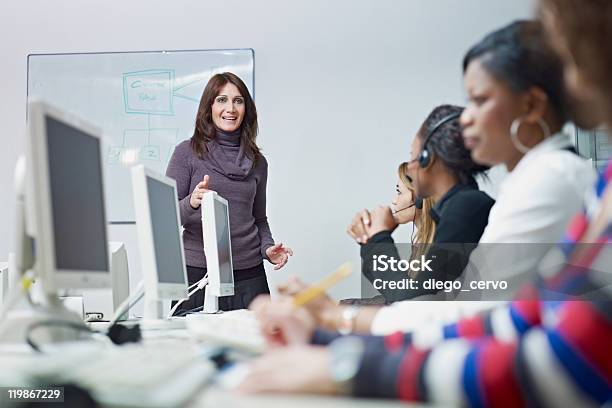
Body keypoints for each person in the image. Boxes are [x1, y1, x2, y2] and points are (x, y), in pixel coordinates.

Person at [239, 16, 612, 406]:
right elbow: (493, 319)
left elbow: (429, 299)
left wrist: (342, 329)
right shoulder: (522, 185)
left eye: (480, 100)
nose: (468, 115)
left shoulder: (512, 191)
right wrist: (331, 331)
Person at [166, 72, 292, 313]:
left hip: (250, 276)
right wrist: (191, 202)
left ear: (246, 109)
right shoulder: (187, 153)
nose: (230, 108)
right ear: (209, 107)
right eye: (221, 100)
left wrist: (268, 249)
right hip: (199, 276)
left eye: (238, 100)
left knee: (258, 348)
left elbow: (258, 219)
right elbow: (165, 218)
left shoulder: (258, 162)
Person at [348, 104, 495, 301]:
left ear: (427, 158)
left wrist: (379, 239)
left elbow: (411, 299)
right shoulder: (458, 208)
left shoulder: (467, 208)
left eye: (412, 156)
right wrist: (373, 240)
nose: (409, 168)